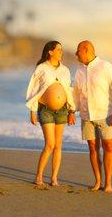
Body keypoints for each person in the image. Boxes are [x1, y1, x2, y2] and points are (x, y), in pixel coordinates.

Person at [72, 40, 112, 193]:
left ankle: (108, 183)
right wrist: (72, 111)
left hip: (106, 114)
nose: (76, 54)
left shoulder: (105, 66)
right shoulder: (79, 71)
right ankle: (98, 181)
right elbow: (76, 93)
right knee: (93, 148)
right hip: (87, 114)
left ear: (86, 50)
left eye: (78, 51)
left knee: (108, 146)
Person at [25, 41, 76, 186]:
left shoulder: (65, 70)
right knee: (50, 144)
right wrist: (32, 111)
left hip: (62, 111)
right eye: (58, 49)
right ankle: (39, 176)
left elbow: (69, 91)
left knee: (58, 145)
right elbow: (33, 90)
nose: (61, 52)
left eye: (61, 49)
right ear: (50, 52)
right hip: (45, 110)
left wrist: (72, 110)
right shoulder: (41, 68)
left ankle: (54, 178)